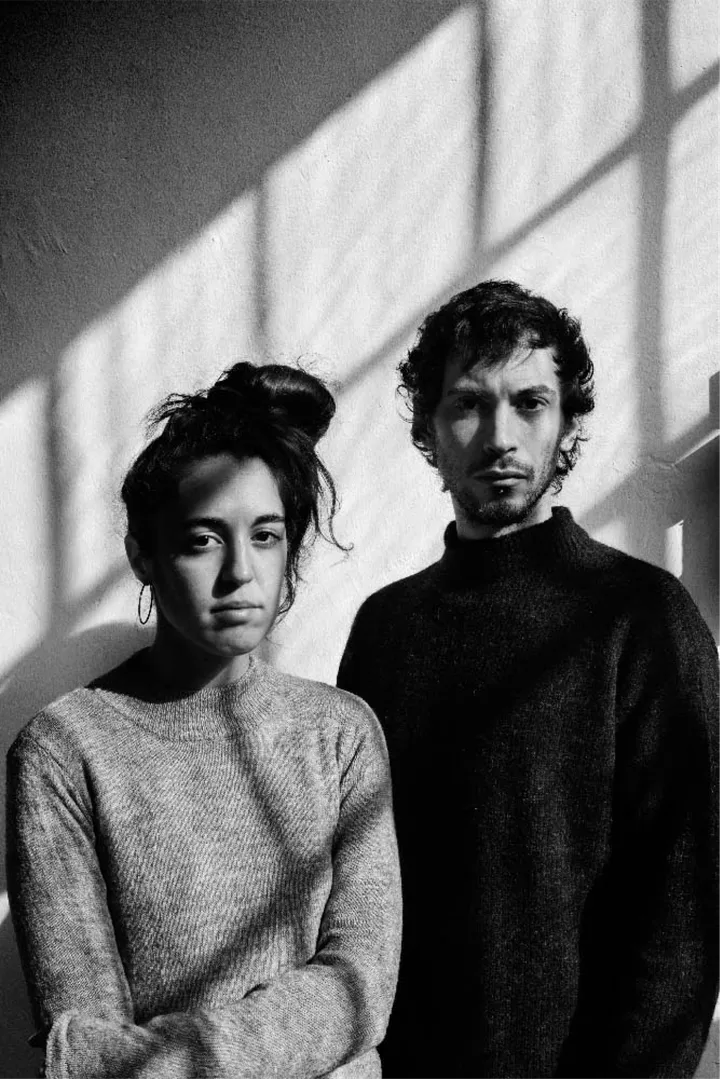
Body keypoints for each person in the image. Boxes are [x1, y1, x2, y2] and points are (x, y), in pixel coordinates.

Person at [337, 280, 720, 1077]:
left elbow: (682, 910)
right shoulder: (385, 628)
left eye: (530, 402)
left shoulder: (643, 617)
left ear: (567, 420)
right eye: (468, 404)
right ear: (428, 428)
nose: (500, 436)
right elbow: (357, 886)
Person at [7, 362, 401, 1079]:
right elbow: (89, 1038)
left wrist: (152, 1057)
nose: (240, 571)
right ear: (143, 556)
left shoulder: (341, 732)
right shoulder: (65, 749)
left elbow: (360, 989)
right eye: (202, 539)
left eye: (266, 535)